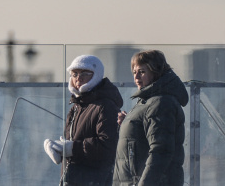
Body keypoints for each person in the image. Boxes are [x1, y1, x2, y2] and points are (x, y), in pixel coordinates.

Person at [44, 54, 123, 185]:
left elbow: (108, 146)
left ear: (96, 75)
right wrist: (55, 146)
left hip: (94, 181)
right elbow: (74, 143)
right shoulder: (77, 107)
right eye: (74, 74)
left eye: (85, 73)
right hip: (73, 179)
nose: (78, 78)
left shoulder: (105, 106)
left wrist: (71, 148)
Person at [113, 50, 189, 186]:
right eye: (134, 72)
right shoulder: (147, 101)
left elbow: (161, 150)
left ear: (155, 72)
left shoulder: (160, 103)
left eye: (142, 72)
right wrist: (127, 124)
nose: (136, 77)